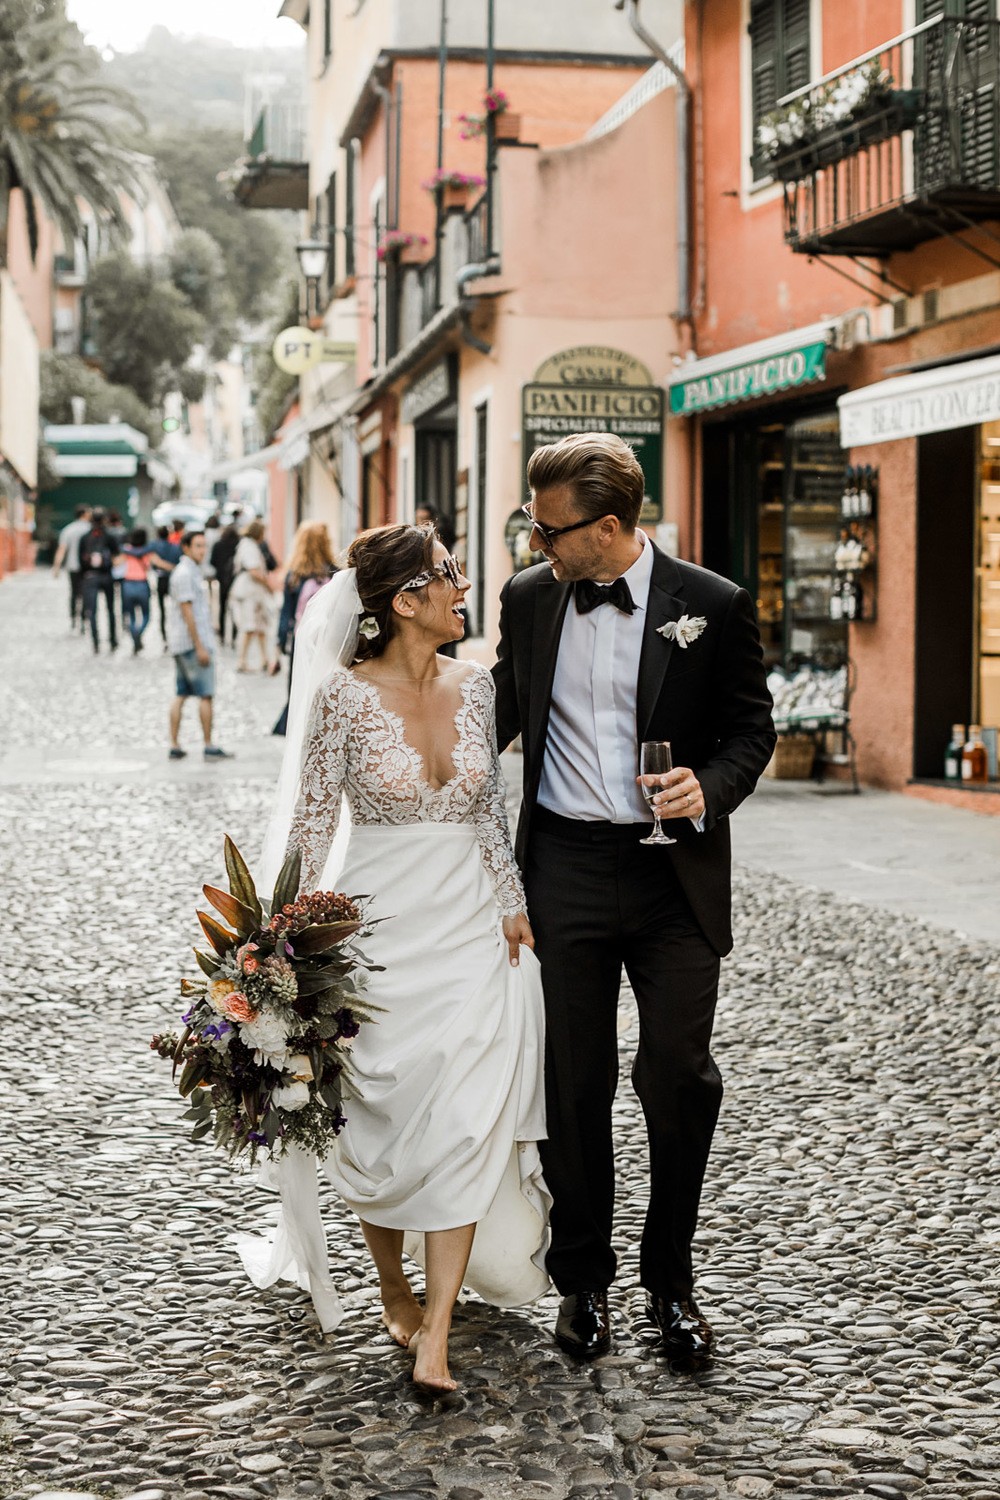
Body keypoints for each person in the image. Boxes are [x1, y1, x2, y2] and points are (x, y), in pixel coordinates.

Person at [242, 524, 549, 1394]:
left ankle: (437, 1335)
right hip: (377, 927)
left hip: (471, 929)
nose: (463, 588)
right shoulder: (340, 698)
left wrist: (514, 904)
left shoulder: (481, 686)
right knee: (380, 1115)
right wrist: (279, 941)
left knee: (462, 1115)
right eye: (448, 576)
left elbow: (489, 810)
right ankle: (390, 1284)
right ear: (404, 601)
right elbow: (310, 822)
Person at [492, 432, 776, 1365]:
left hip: (673, 878)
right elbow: (490, 710)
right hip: (564, 867)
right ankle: (583, 1285)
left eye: (549, 529)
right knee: (574, 1084)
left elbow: (750, 729)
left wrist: (711, 788)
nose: (536, 543)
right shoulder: (530, 599)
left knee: (677, 1076)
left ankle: (671, 1283)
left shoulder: (714, 604)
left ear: (608, 528)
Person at [166, 531, 232, 761]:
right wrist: (200, 645)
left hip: (182, 643)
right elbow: (187, 611)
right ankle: (208, 744)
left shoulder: (191, 571)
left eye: (204, 546)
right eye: (197, 546)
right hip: (192, 644)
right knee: (206, 694)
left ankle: (175, 744)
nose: (202, 550)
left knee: (181, 693)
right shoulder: (185, 573)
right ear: (185, 547)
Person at [272, 521, 337, 736]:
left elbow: (286, 615)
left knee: (299, 688)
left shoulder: (295, 576)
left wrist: (279, 646)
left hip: (303, 641)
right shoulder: (336, 573)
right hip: (330, 642)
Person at [230, 519, 278, 674]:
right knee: (250, 626)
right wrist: (268, 584)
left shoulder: (248, 545)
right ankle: (241, 661)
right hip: (249, 591)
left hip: (253, 591)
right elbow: (254, 571)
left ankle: (265, 659)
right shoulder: (249, 547)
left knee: (260, 625)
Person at [120, 527, 171, 655]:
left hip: (127, 584)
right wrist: (175, 567)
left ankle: (135, 637)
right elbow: (160, 563)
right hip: (142, 585)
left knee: (130, 615)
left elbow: (116, 563)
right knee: (146, 615)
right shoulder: (148, 552)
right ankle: (138, 634)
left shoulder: (127, 550)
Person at [78, 509, 118, 654]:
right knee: (110, 610)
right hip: (107, 576)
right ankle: (113, 640)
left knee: (92, 611)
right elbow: (116, 556)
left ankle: (96, 642)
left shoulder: (85, 537)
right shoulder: (109, 536)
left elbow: (80, 560)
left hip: (90, 577)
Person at [51, 505, 92, 632]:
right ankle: (85, 620)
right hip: (87, 567)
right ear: (84, 514)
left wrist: (56, 567)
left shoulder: (68, 529)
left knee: (74, 593)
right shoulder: (90, 529)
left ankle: (74, 618)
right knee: (86, 593)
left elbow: (62, 549)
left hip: (72, 566)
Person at [149, 527, 181, 648]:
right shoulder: (174, 547)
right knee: (175, 609)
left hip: (161, 579)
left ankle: (164, 636)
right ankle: (174, 633)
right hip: (172, 580)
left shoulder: (155, 547)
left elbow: (152, 565)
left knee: (162, 610)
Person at [210, 522, 240, 645]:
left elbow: (212, 561)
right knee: (234, 608)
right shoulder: (238, 545)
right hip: (234, 580)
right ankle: (233, 636)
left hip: (222, 580)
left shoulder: (218, 545)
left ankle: (222, 634)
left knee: (222, 607)